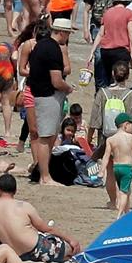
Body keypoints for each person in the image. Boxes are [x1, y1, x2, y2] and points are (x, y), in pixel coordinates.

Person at [27, 18, 76, 185]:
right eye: (68, 33)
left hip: (40, 93)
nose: (68, 37)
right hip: (48, 95)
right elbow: (56, 80)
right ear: (61, 32)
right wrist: (68, 88)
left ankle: (45, 175)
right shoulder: (53, 49)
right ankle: (45, 176)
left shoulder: (40, 45)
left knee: (47, 136)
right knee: (46, 137)